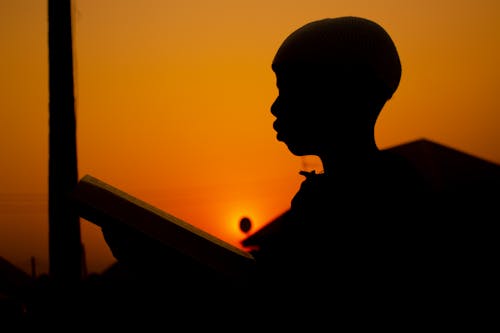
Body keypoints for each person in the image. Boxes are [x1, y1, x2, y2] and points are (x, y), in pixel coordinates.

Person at [99, 16, 495, 328]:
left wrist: (158, 263)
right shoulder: (361, 191)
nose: (275, 107)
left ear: (343, 92)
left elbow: (275, 302)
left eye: (291, 89)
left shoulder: (366, 201)